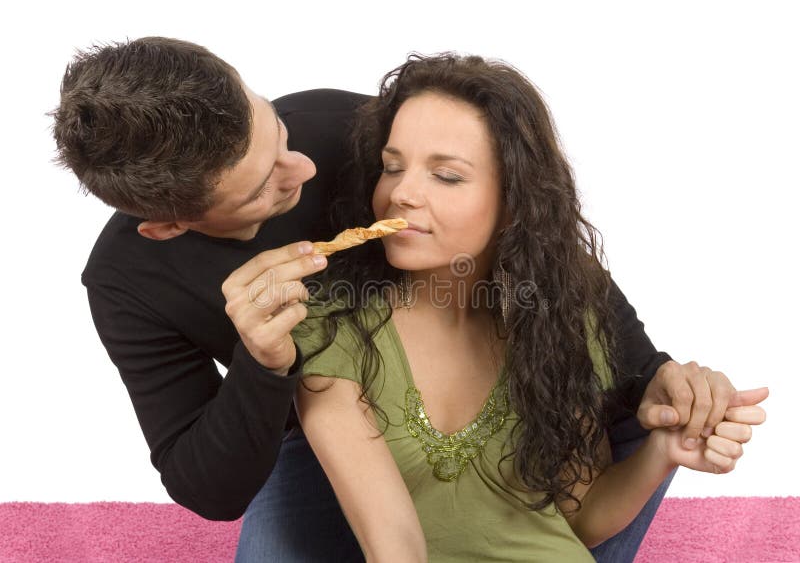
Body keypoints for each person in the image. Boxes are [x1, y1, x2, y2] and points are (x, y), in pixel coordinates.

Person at [51, 37, 763, 562]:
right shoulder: (129, 285)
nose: (304, 166)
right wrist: (264, 364)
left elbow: (529, 236)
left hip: (517, 374)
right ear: (170, 226)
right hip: (330, 415)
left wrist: (657, 376)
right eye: (265, 185)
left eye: (278, 132)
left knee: (639, 412)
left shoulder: (339, 125)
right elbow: (209, 488)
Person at [292, 53, 767, 561]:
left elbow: (582, 518)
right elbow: (394, 545)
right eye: (392, 167)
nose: (401, 194)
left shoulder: (557, 320)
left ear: (513, 200)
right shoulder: (330, 327)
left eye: (446, 176)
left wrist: (663, 452)